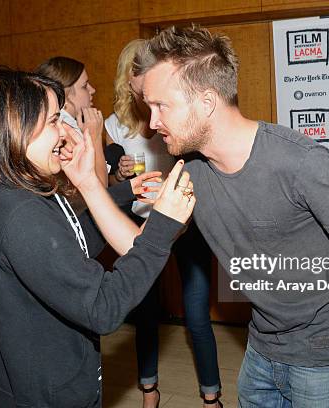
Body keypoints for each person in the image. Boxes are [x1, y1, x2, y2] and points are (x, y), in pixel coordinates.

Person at [135, 25, 329, 407]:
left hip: (324, 356)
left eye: (161, 105)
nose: (152, 122)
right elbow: (141, 245)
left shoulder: (299, 162)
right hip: (261, 348)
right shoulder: (192, 170)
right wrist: (91, 183)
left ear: (206, 102)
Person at [0, 67, 196, 407]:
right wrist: (163, 226)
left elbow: (72, 250)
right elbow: (104, 306)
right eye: (52, 121)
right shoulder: (19, 212)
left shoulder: (9, 193)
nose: (64, 131)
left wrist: (102, 187)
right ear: (14, 128)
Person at [106, 39, 222, 407]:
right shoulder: (113, 125)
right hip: (140, 229)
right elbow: (109, 188)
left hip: (186, 224)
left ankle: (211, 397)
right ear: (129, 76)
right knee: (145, 314)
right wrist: (118, 173)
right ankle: (149, 391)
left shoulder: (177, 110)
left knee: (198, 315)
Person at [35, 56, 108, 186]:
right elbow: (99, 187)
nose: (92, 90)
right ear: (65, 93)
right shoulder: (65, 131)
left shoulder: (63, 122)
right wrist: (94, 137)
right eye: (85, 86)